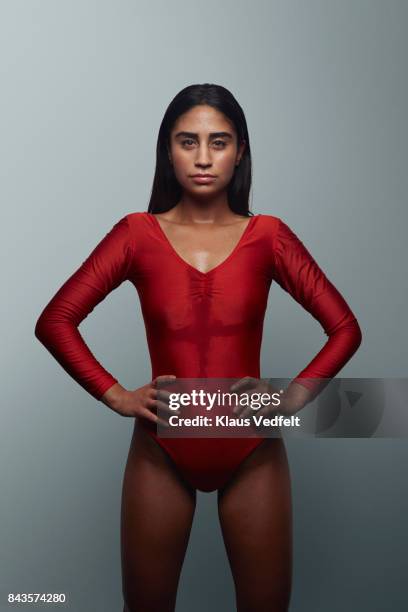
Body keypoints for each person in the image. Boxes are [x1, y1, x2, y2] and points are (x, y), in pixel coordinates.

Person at [34, 83, 362, 612]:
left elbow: (345, 327)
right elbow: (55, 320)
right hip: (160, 451)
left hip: (251, 447)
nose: (204, 158)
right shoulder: (136, 234)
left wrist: (293, 398)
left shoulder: (270, 236)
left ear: (240, 152)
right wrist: (116, 395)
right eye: (188, 142)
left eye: (219, 142)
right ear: (167, 150)